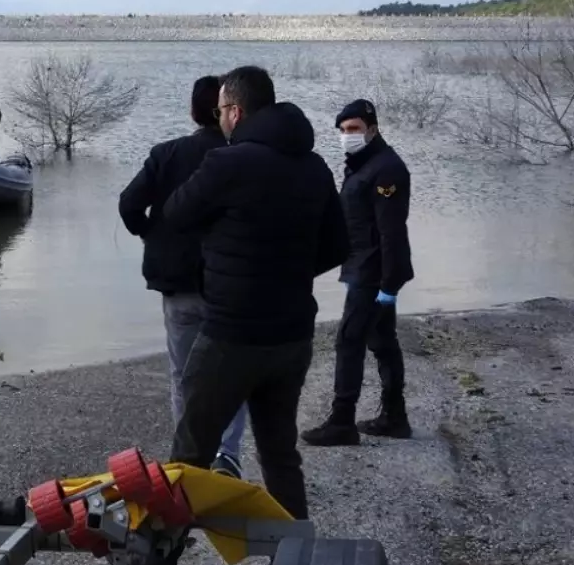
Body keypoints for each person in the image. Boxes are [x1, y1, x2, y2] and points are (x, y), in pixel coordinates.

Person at [163, 65, 348, 522]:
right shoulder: (315, 165)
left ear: (236, 111)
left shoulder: (229, 162)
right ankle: (296, 563)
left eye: (222, 109)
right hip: (292, 334)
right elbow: (339, 245)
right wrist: (286, 272)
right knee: (280, 455)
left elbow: (175, 214)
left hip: (232, 333)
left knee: (187, 461)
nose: (220, 118)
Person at [117, 75, 246, 479]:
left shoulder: (167, 154)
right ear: (228, 111)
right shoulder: (244, 158)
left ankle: (188, 459)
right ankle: (228, 456)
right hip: (232, 285)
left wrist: (151, 233)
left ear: (193, 112)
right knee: (233, 374)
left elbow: (128, 204)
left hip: (179, 284)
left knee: (183, 374)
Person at [302, 99, 414, 447]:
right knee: (381, 341)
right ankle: (395, 417)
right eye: (343, 130)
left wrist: (390, 285)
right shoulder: (363, 164)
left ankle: (342, 421)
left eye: (354, 129)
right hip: (362, 266)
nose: (347, 136)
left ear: (373, 129)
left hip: (373, 272)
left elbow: (391, 232)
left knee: (349, 340)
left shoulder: (386, 170)